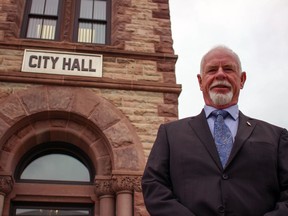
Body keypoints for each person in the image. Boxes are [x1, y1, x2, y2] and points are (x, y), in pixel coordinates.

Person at [141, 45, 288, 216]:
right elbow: (154, 185)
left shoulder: (277, 137)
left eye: (228, 69)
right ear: (200, 81)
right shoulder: (170, 135)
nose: (220, 74)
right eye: (211, 70)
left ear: (242, 79)